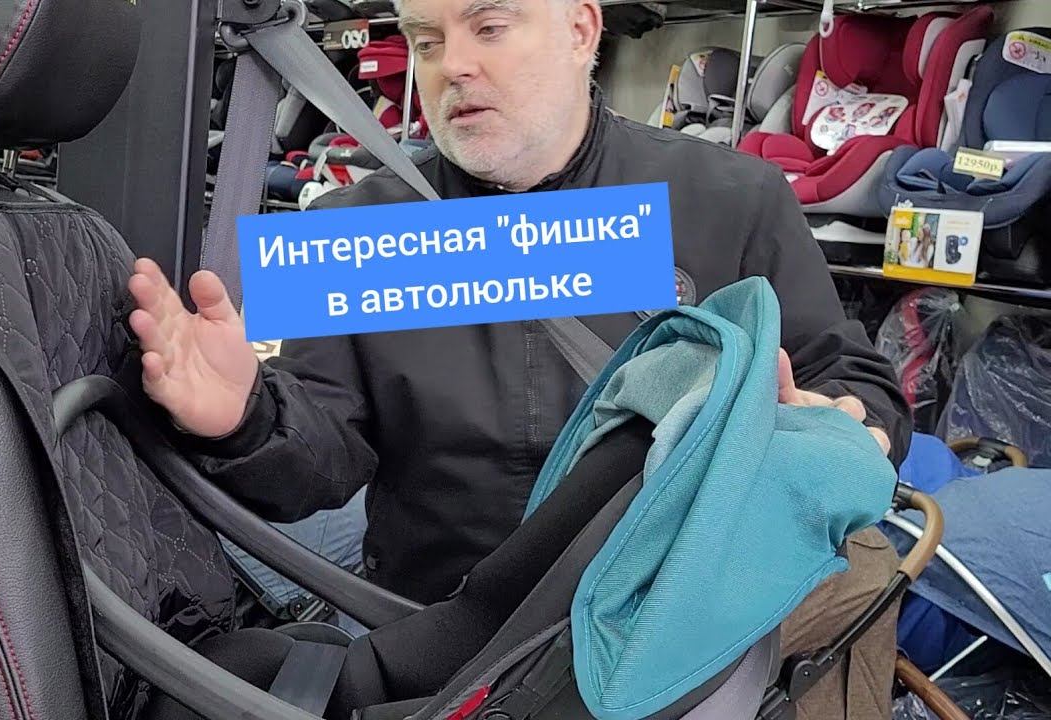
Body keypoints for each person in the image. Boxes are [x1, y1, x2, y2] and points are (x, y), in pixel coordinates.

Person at [125, 0, 913, 715]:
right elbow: (319, 468)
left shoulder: (730, 199)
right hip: (436, 647)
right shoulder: (352, 231)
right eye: (426, 41)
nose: (452, 66)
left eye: (489, 28)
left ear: (580, 30)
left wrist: (840, 423)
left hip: (673, 648)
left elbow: (855, 381)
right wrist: (243, 418)